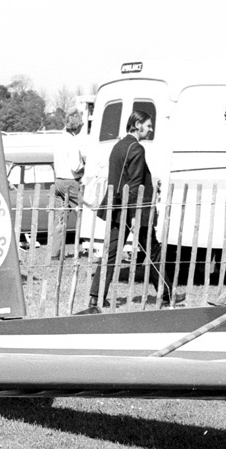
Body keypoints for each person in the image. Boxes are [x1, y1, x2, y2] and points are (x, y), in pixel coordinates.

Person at [82, 109, 170, 313]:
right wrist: (135, 215)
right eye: (148, 125)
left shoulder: (118, 146)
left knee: (111, 253)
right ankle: (165, 294)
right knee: (153, 251)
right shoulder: (137, 148)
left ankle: (96, 297)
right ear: (137, 125)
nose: (150, 129)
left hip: (117, 207)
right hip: (133, 211)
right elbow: (136, 184)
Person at [50, 112, 84, 260]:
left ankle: (54, 252)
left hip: (58, 181)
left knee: (60, 218)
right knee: (84, 213)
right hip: (71, 181)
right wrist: (84, 167)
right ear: (77, 126)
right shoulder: (73, 142)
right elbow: (76, 166)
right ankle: (88, 246)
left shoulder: (59, 140)